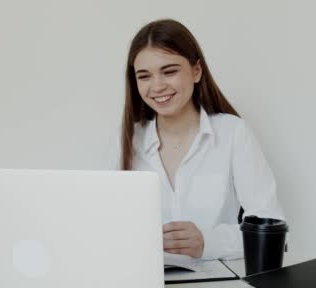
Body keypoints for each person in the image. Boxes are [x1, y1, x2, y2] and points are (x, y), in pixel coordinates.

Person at [113, 19, 285, 260]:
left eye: (169, 71)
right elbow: (112, 226)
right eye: (144, 76)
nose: (157, 86)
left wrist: (208, 242)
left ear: (196, 71)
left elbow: (271, 229)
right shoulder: (129, 139)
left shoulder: (233, 133)